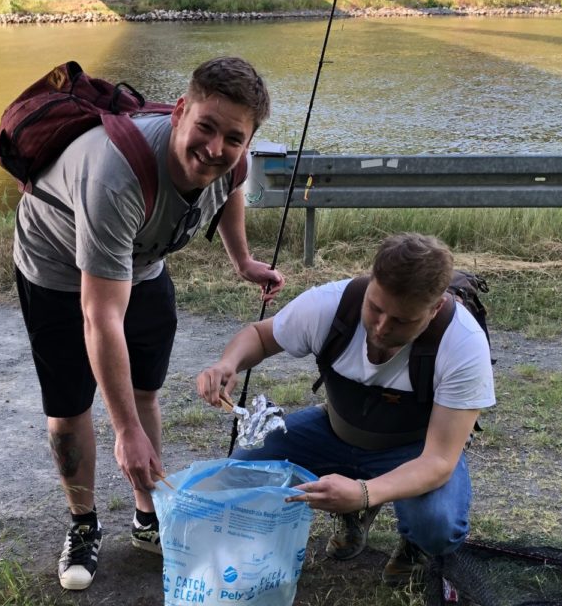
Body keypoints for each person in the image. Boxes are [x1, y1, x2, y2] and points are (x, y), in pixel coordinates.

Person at [15, 56, 283, 591]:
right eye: (204, 127)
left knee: (145, 392)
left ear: (247, 140)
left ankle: (147, 514)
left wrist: (242, 261)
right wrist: (125, 432)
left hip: (141, 262)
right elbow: (101, 315)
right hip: (57, 269)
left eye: (233, 137)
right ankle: (84, 523)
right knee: (71, 407)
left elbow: (230, 191)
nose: (214, 148)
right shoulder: (117, 175)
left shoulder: (234, 161)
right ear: (181, 110)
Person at [196, 233, 494, 585]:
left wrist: (364, 493)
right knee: (242, 474)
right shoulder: (331, 304)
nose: (382, 327)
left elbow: (439, 462)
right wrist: (228, 363)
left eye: (401, 321)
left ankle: (414, 543)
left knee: (439, 526)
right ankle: (355, 509)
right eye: (376, 308)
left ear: (434, 309)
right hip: (335, 430)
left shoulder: (462, 343)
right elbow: (261, 336)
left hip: (413, 451)